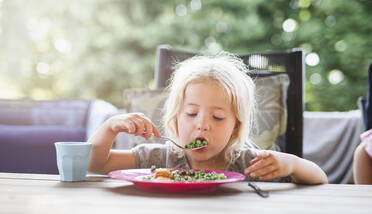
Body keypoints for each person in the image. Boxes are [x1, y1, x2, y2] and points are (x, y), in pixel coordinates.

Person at [88, 53, 328, 184]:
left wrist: (292, 164)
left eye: (218, 117)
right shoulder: (158, 159)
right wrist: (109, 128)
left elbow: (320, 179)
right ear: (175, 118)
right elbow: (95, 164)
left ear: (236, 127)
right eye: (191, 113)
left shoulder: (248, 163)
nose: (202, 124)